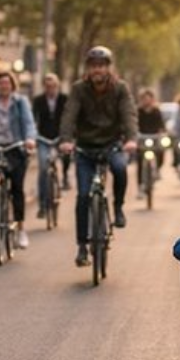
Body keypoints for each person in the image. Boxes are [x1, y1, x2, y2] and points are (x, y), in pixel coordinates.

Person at [59, 45, 138, 267]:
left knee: (120, 168)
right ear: (88, 68)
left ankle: (118, 207)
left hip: (111, 145)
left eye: (101, 65)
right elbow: (69, 115)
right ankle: (82, 246)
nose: (97, 70)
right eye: (93, 66)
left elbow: (129, 114)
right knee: (83, 196)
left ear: (108, 68)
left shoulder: (120, 88)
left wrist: (131, 138)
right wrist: (66, 139)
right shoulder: (79, 89)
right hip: (85, 149)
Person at [0, 70, 36, 249]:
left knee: (17, 188)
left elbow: (28, 123)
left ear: (12, 85)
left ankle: (21, 229)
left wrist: (29, 139)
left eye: (7, 83)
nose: (4, 86)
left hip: (15, 147)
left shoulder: (21, 102)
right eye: (1, 83)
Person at [33, 73, 69, 214]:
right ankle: (42, 203)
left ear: (57, 86)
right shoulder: (38, 100)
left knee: (66, 155)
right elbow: (33, 119)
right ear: (44, 87)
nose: (51, 89)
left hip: (61, 137)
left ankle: (65, 176)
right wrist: (33, 135)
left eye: (53, 86)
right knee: (43, 167)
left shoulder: (65, 99)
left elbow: (69, 118)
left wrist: (68, 136)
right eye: (48, 86)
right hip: (43, 138)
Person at [135, 88, 167, 194]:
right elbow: (134, 124)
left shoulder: (156, 111)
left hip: (155, 138)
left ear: (152, 99)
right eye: (144, 99)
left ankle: (157, 170)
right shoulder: (138, 111)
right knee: (139, 160)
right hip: (141, 138)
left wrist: (162, 132)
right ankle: (140, 186)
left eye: (148, 98)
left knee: (161, 151)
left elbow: (161, 125)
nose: (146, 101)